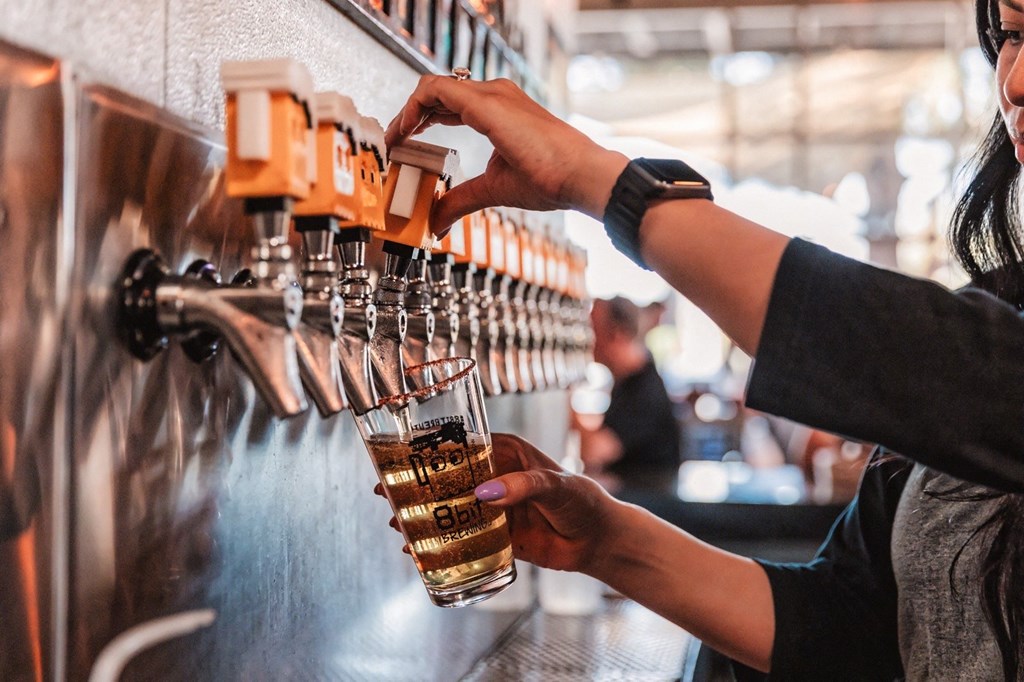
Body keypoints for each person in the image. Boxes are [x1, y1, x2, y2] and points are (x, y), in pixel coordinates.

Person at [381, 1, 1024, 678]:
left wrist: (600, 181)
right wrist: (601, 537)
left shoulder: (979, 362)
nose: (1013, 81)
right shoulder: (1004, 308)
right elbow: (849, 625)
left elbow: (949, 368)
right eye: (1010, 34)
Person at [576, 296, 680, 494]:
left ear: (617, 334)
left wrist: (565, 400)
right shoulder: (627, 381)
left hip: (649, 506)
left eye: (592, 328)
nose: (585, 337)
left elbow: (594, 452)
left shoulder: (645, 390)